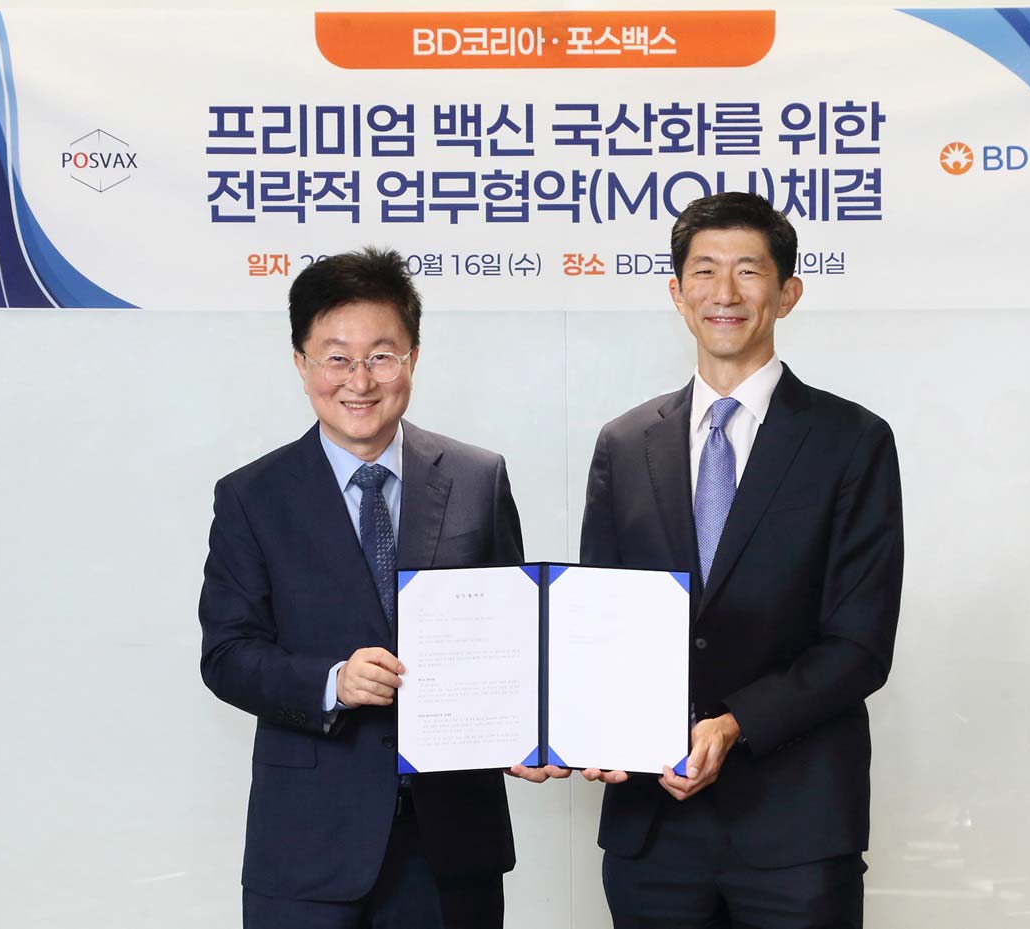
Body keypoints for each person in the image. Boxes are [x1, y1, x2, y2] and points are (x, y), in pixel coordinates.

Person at [199, 248, 551, 929]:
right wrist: (333, 681)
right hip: (307, 847)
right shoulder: (252, 496)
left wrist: (533, 732)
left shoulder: (477, 478)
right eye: (337, 358)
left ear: (413, 358)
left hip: (452, 842)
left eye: (382, 356)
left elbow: (515, 637)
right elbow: (228, 655)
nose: (359, 380)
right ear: (301, 363)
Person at [580, 192, 904, 929]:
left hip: (796, 829)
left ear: (788, 293)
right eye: (704, 271)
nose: (724, 293)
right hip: (652, 826)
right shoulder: (624, 445)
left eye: (749, 271)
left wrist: (733, 724)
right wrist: (585, 726)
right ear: (677, 292)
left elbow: (859, 644)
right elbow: (598, 623)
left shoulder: (852, 441)